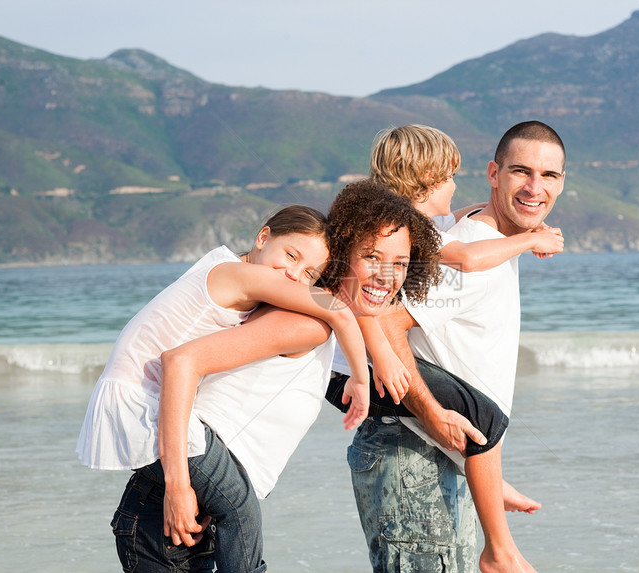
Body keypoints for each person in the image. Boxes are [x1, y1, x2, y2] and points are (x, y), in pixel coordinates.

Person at [88, 181, 443, 572]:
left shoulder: (295, 306)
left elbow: (348, 312)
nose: (294, 276)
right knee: (241, 509)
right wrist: (364, 376)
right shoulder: (301, 318)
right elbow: (183, 361)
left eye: (401, 263)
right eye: (371, 256)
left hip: (185, 516)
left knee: (239, 508)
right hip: (166, 511)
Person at [327, 124, 560, 571]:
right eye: (521, 172)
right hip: (409, 443)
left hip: (430, 447)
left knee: (482, 421)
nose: (535, 187)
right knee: (484, 418)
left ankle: (492, 488)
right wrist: (431, 412)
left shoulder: (441, 228)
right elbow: (386, 317)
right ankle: (502, 549)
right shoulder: (451, 240)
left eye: (550, 176)